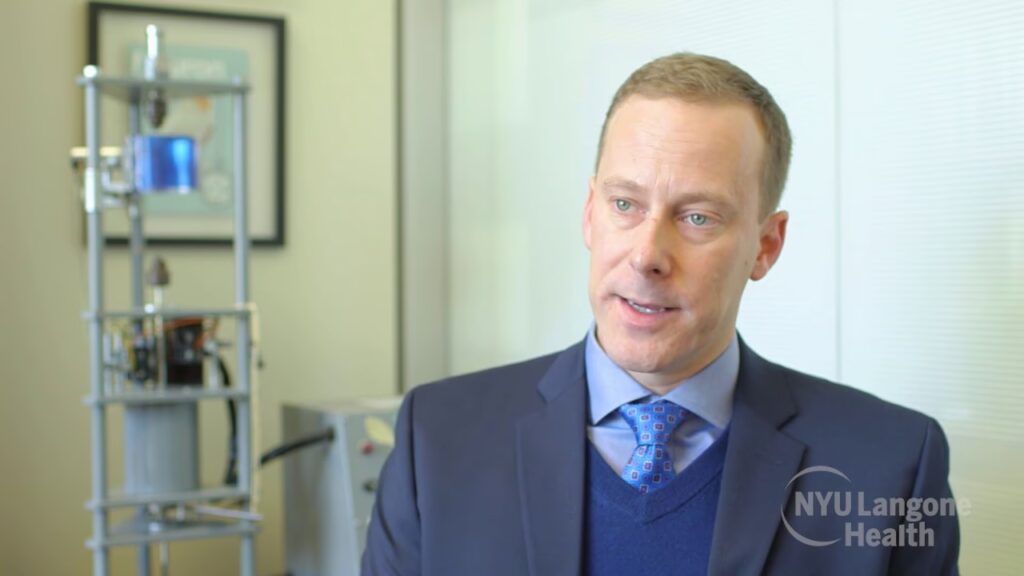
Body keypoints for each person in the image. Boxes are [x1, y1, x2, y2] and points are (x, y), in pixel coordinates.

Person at [362, 53, 960, 576]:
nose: (647, 255)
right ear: (590, 214)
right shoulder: (436, 439)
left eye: (697, 217)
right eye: (625, 204)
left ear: (765, 246)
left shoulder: (891, 466)